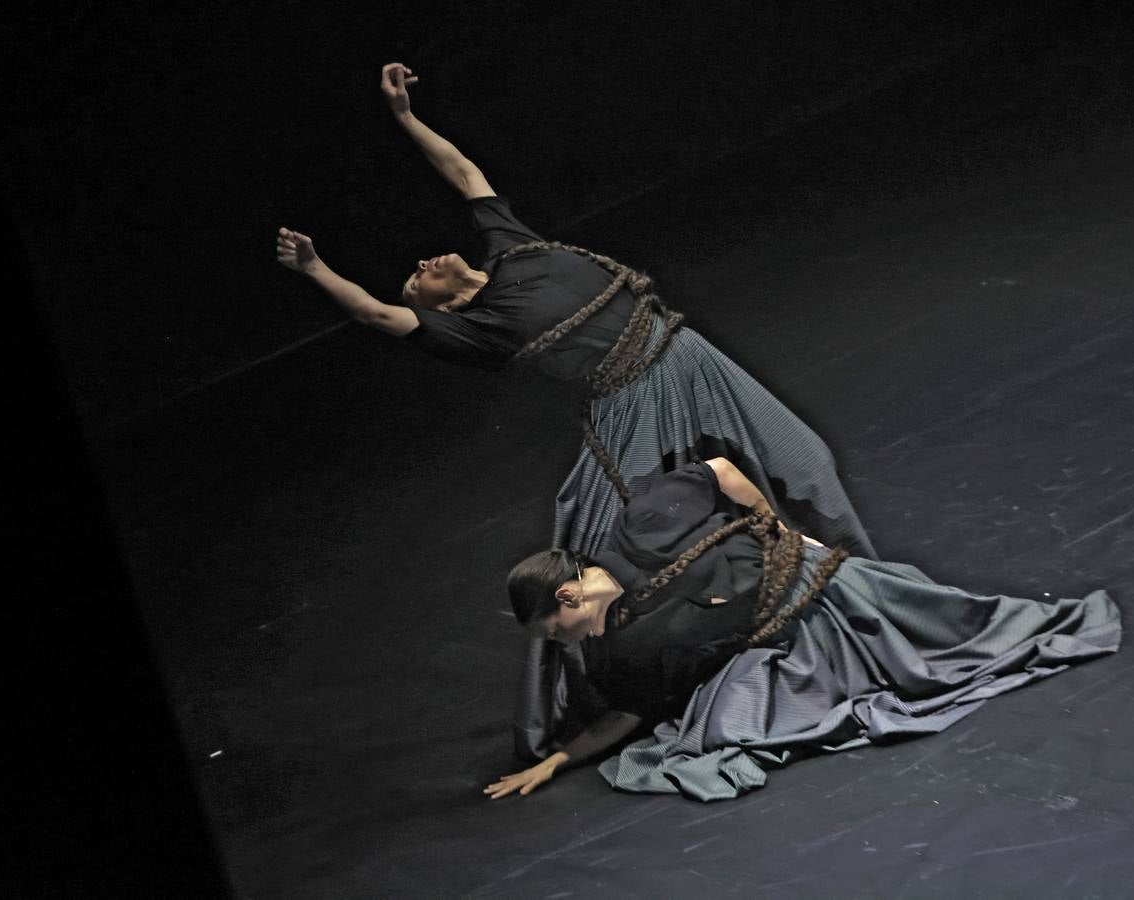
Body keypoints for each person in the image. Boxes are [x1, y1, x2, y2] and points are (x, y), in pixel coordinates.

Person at [276, 62, 875, 758]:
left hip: (692, 360)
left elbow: (465, 172)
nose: (420, 263)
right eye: (415, 279)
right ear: (431, 305)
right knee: (593, 535)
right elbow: (378, 315)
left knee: (805, 461)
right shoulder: (476, 329)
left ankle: (867, 585)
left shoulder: (511, 246)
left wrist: (404, 116)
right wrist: (316, 268)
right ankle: (588, 698)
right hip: (631, 405)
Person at [486, 458, 1121, 802]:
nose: (568, 641)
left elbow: (721, 473)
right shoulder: (621, 646)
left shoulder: (642, 525)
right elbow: (627, 713)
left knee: (967, 631)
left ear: (569, 593)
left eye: (559, 627)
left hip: (820, 586)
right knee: (735, 728)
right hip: (788, 646)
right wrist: (561, 761)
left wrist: (778, 531)